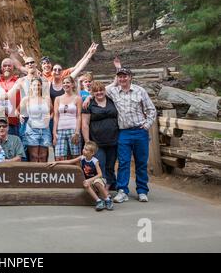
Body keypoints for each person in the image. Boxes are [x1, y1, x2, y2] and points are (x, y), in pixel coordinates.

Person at [106, 67, 157, 203]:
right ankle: (122, 191)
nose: (122, 79)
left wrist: (146, 125)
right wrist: (87, 100)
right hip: (123, 132)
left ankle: (142, 190)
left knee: (141, 162)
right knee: (123, 162)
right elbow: (97, 90)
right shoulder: (113, 91)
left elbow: (151, 110)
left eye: (125, 76)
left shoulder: (140, 91)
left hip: (140, 131)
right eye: (120, 77)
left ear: (130, 77)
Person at [48, 141, 114, 211]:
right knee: (85, 184)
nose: (83, 150)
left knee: (96, 183)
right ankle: (99, 201)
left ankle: (107, 200)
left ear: (92, 153)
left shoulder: (95, 161)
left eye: (86, 149)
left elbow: (100, 174)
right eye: (83, 148)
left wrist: (90, 180)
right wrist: (56, 162)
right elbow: (70, 161)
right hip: (89, 180)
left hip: (98, 179)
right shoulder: (82, 158)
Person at [82, 81, 119, 191]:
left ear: (104, 90)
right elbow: (85, 124)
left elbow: (115, 83)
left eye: (101, 90)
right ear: (92, 93)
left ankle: (108, 187)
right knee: (100, 165)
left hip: (113, 140)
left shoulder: (112, 101)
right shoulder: (89, 104)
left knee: (110, 166)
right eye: (96, 91)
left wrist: (118, 68)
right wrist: (87, 141)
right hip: (97, 142)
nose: (99, 92)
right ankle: (101, 189)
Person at [19, 77, 53, 162]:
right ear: (31, 86)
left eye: (38, 85)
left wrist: (49, 117)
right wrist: (20, 115)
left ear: (41, 86)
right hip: (31, 130)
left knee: (43, 156)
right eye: (34, 85)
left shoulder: (46, 99)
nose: (36, 87)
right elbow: (17, 111)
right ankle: (34, 174)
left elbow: (53, 112)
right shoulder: (26, 99)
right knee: (34, 156)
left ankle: (44, 174)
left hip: (45, 129)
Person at [53, 76, 82, 161]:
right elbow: (56, 116)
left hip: (73, 130)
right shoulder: (57, 99)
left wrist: (77, 132)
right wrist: (54, 132)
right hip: (60, 130)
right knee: (59, 157)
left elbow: (79, 116)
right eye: (64, 83)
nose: (65, 84)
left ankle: (76, 174)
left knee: (75, 156)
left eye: (68, 82)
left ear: (72, 84)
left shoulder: (78, 98)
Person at [0, 57, 21, 136]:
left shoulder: (18, 81)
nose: (7, 67)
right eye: (5, 65)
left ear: (13, 67)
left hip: (14, 121)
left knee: (14, 146)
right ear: (1, 67)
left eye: (9, 65)